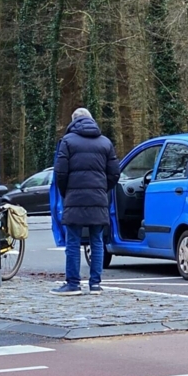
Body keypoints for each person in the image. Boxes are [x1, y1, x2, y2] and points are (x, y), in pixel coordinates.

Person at [50, 107, 120, 296]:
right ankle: (95, 284)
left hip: (74, 197)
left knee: (73, 241)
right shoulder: (105, 143)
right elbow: (114, 173)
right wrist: (102, 189)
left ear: (73, 121)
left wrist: (67, 192)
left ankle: (73, 283)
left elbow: (60, 173)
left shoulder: (67, 142)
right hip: (98, 198)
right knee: (96, 241)